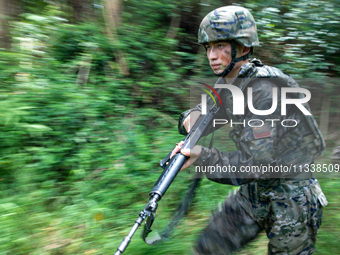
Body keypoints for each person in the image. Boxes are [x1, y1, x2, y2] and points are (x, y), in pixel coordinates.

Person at [171, 5, 328, 255]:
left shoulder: (265, 90)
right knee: (208, 247)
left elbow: (256, 165)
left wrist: (204, 157)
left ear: (243, 47)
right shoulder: (231, 82)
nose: (212, 55)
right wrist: (190, 119)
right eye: (209, 47)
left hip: (292, 199)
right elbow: (205, 116)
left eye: (221, 46)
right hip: (255, 193)